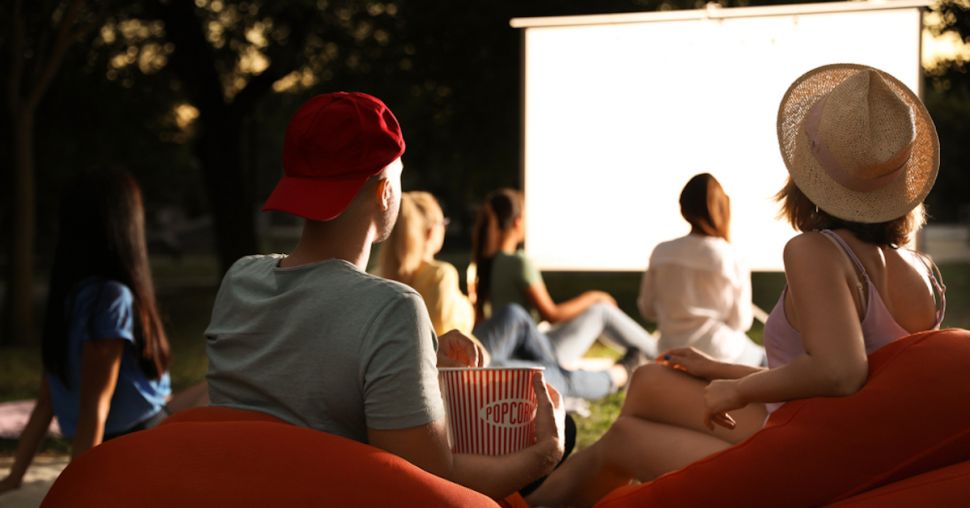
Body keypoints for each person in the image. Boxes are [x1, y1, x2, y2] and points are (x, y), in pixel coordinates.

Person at [526, 64, 947, 507]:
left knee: (627, 437)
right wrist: (725, 370)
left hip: (817, 459)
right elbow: (856, 384)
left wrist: (738, 389)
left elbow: (842, 373)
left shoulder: (816, 251)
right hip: (856, 443)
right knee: (649, 379)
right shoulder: (919, 268)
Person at [204, 92, 563, 499]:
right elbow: (430, 486)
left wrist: (417, 356)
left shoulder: (240, 279)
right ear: (385, 192)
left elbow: (307, 363)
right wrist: (544, 456)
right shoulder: (393, 307)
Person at [0, 171, 173, 495]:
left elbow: (85, 406)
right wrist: (15, 478)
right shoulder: (100, 297)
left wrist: (73, 488)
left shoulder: (86, 297)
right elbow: (65, 403)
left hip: (143, 434)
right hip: (129, 436)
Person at [379, 192, 630, 400]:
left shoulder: (380, 277)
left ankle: (566, 369)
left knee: (514, 314)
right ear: (432, 232)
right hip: (460, 372)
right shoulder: (440, 275)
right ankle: (619, 375)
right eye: (443, 223)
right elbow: (443, 335)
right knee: (548, 376)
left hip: (457, 359)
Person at [471, 188, 658, 370]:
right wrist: (594, 296)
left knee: (598, 311)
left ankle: (648, 353)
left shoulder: (490, 263)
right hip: (538, 352)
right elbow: (551, 314)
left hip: (516, 349)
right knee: (602, 311)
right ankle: (659, 353)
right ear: (518, 222)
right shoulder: (518, 261)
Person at [638, 173, 765, 367]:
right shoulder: (730, 255)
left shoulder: (661, 252)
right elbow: (741, 321)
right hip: (720, 352)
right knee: (768, 358)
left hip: (670, 350)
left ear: (683, 208)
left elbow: (647, 309)